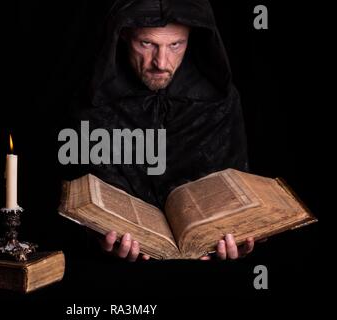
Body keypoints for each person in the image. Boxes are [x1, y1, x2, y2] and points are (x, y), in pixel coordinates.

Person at [61, 0, 255, 261]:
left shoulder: (220, 102)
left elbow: (236, 201)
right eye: (147, 44)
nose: (161, 63)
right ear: (124, 35)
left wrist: (237, 238)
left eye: (175, 45)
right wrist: (98, 235)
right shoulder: (92, 105)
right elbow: (78, 208)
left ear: (193, 37)